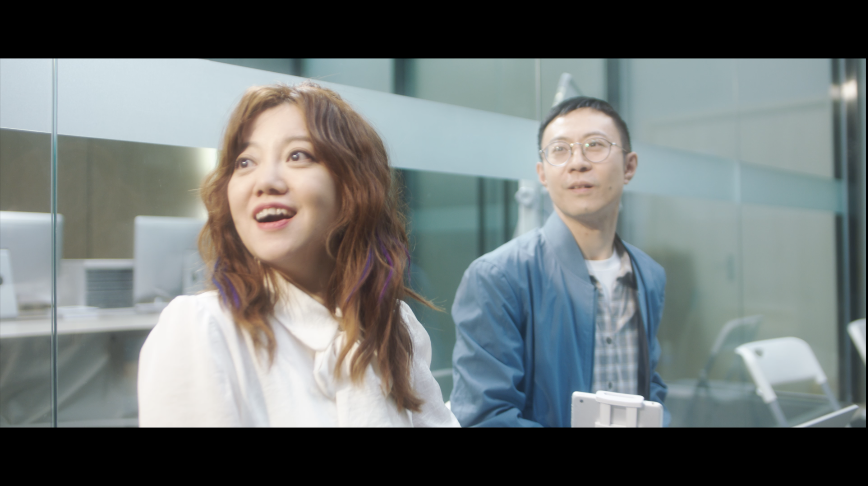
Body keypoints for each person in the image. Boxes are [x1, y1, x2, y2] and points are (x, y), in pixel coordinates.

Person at [138, 82, 459, 427]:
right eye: (245, 162)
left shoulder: (394, 324)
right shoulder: (203, 328)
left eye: (297, 156)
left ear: (352, 186)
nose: (265, 181)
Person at [450, 97, 668, 427]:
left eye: (595, 145)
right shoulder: (498, 277)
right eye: (560, 150)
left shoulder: (649, 275)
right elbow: (486, 416)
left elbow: (650, 389)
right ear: (542, 173)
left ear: (629, 166)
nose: (578, 163)